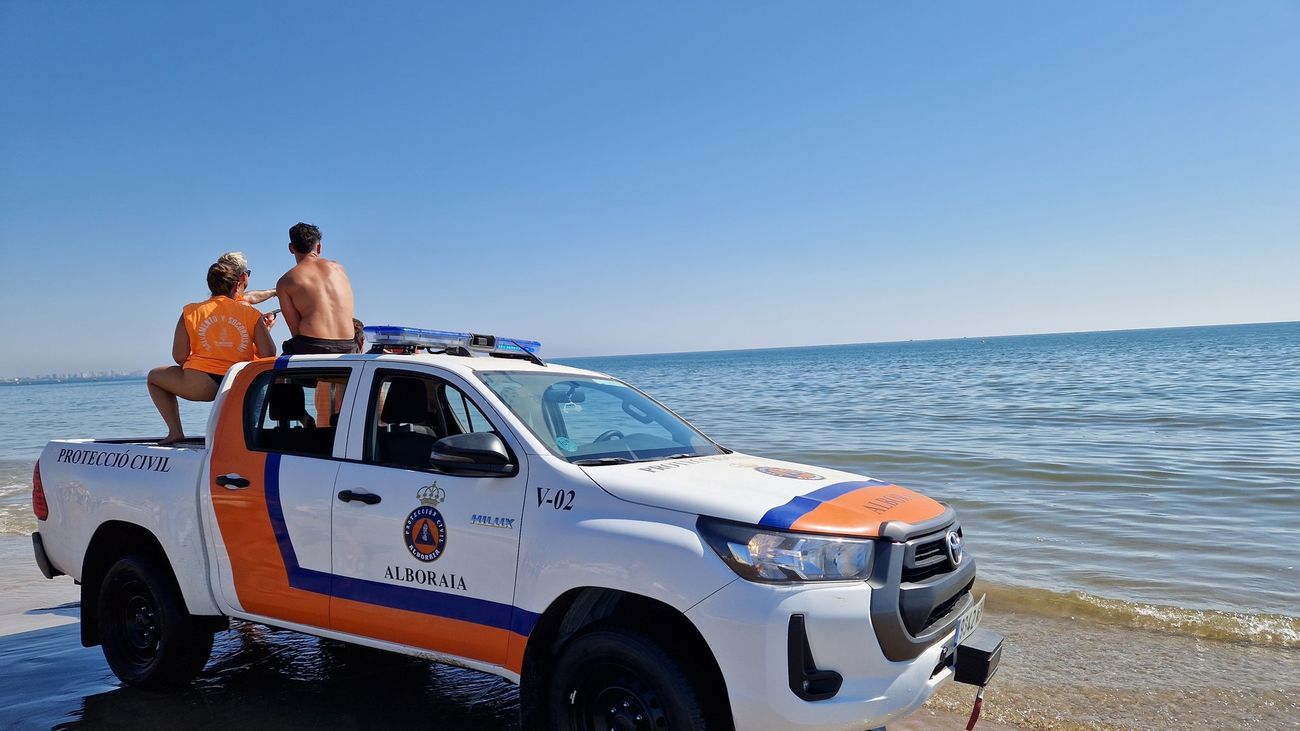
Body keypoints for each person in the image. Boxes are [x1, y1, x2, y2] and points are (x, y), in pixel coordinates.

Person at [148, 258, 276, 445]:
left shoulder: (191, 311)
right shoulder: (251, 313)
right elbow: (268, 353)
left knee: (154, 377)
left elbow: (179, 356)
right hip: (238, 383)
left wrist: (195, 366)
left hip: (200, 383)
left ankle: (175, 432)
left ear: (210, 285)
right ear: (236, 287)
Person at [276, 222, 358, 354]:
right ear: (318, 247)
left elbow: (295, 331)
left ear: (291, 248)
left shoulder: (285, 282)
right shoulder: (339, 269)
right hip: (348, 346)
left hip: (313, 345)